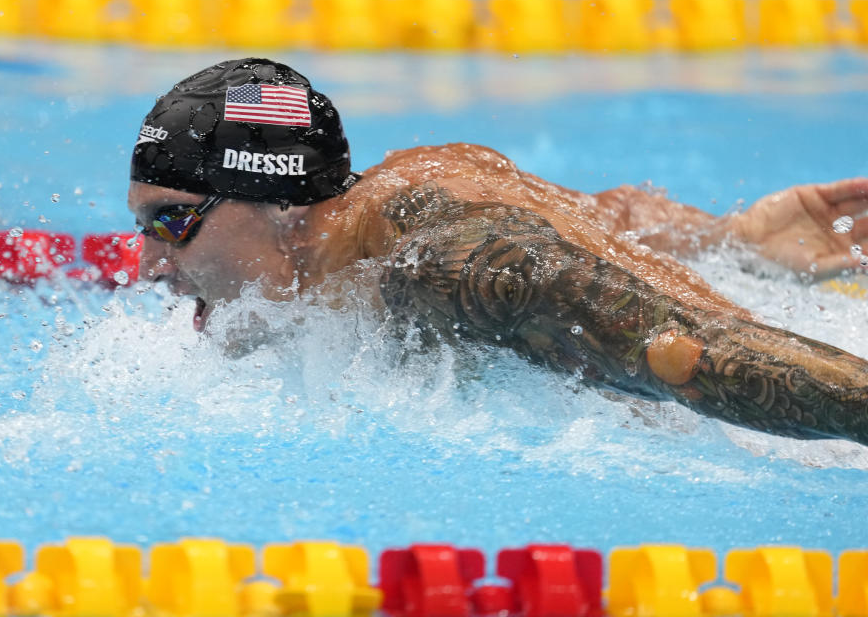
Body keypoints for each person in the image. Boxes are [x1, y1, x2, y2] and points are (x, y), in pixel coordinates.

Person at [128, 57, 868, 445]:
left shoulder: (443, 269)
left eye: (172, 224)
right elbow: (611, 212)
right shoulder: (407, 188)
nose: (148, 268)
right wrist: (730, 241)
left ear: (283, 206)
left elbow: (683, 354)